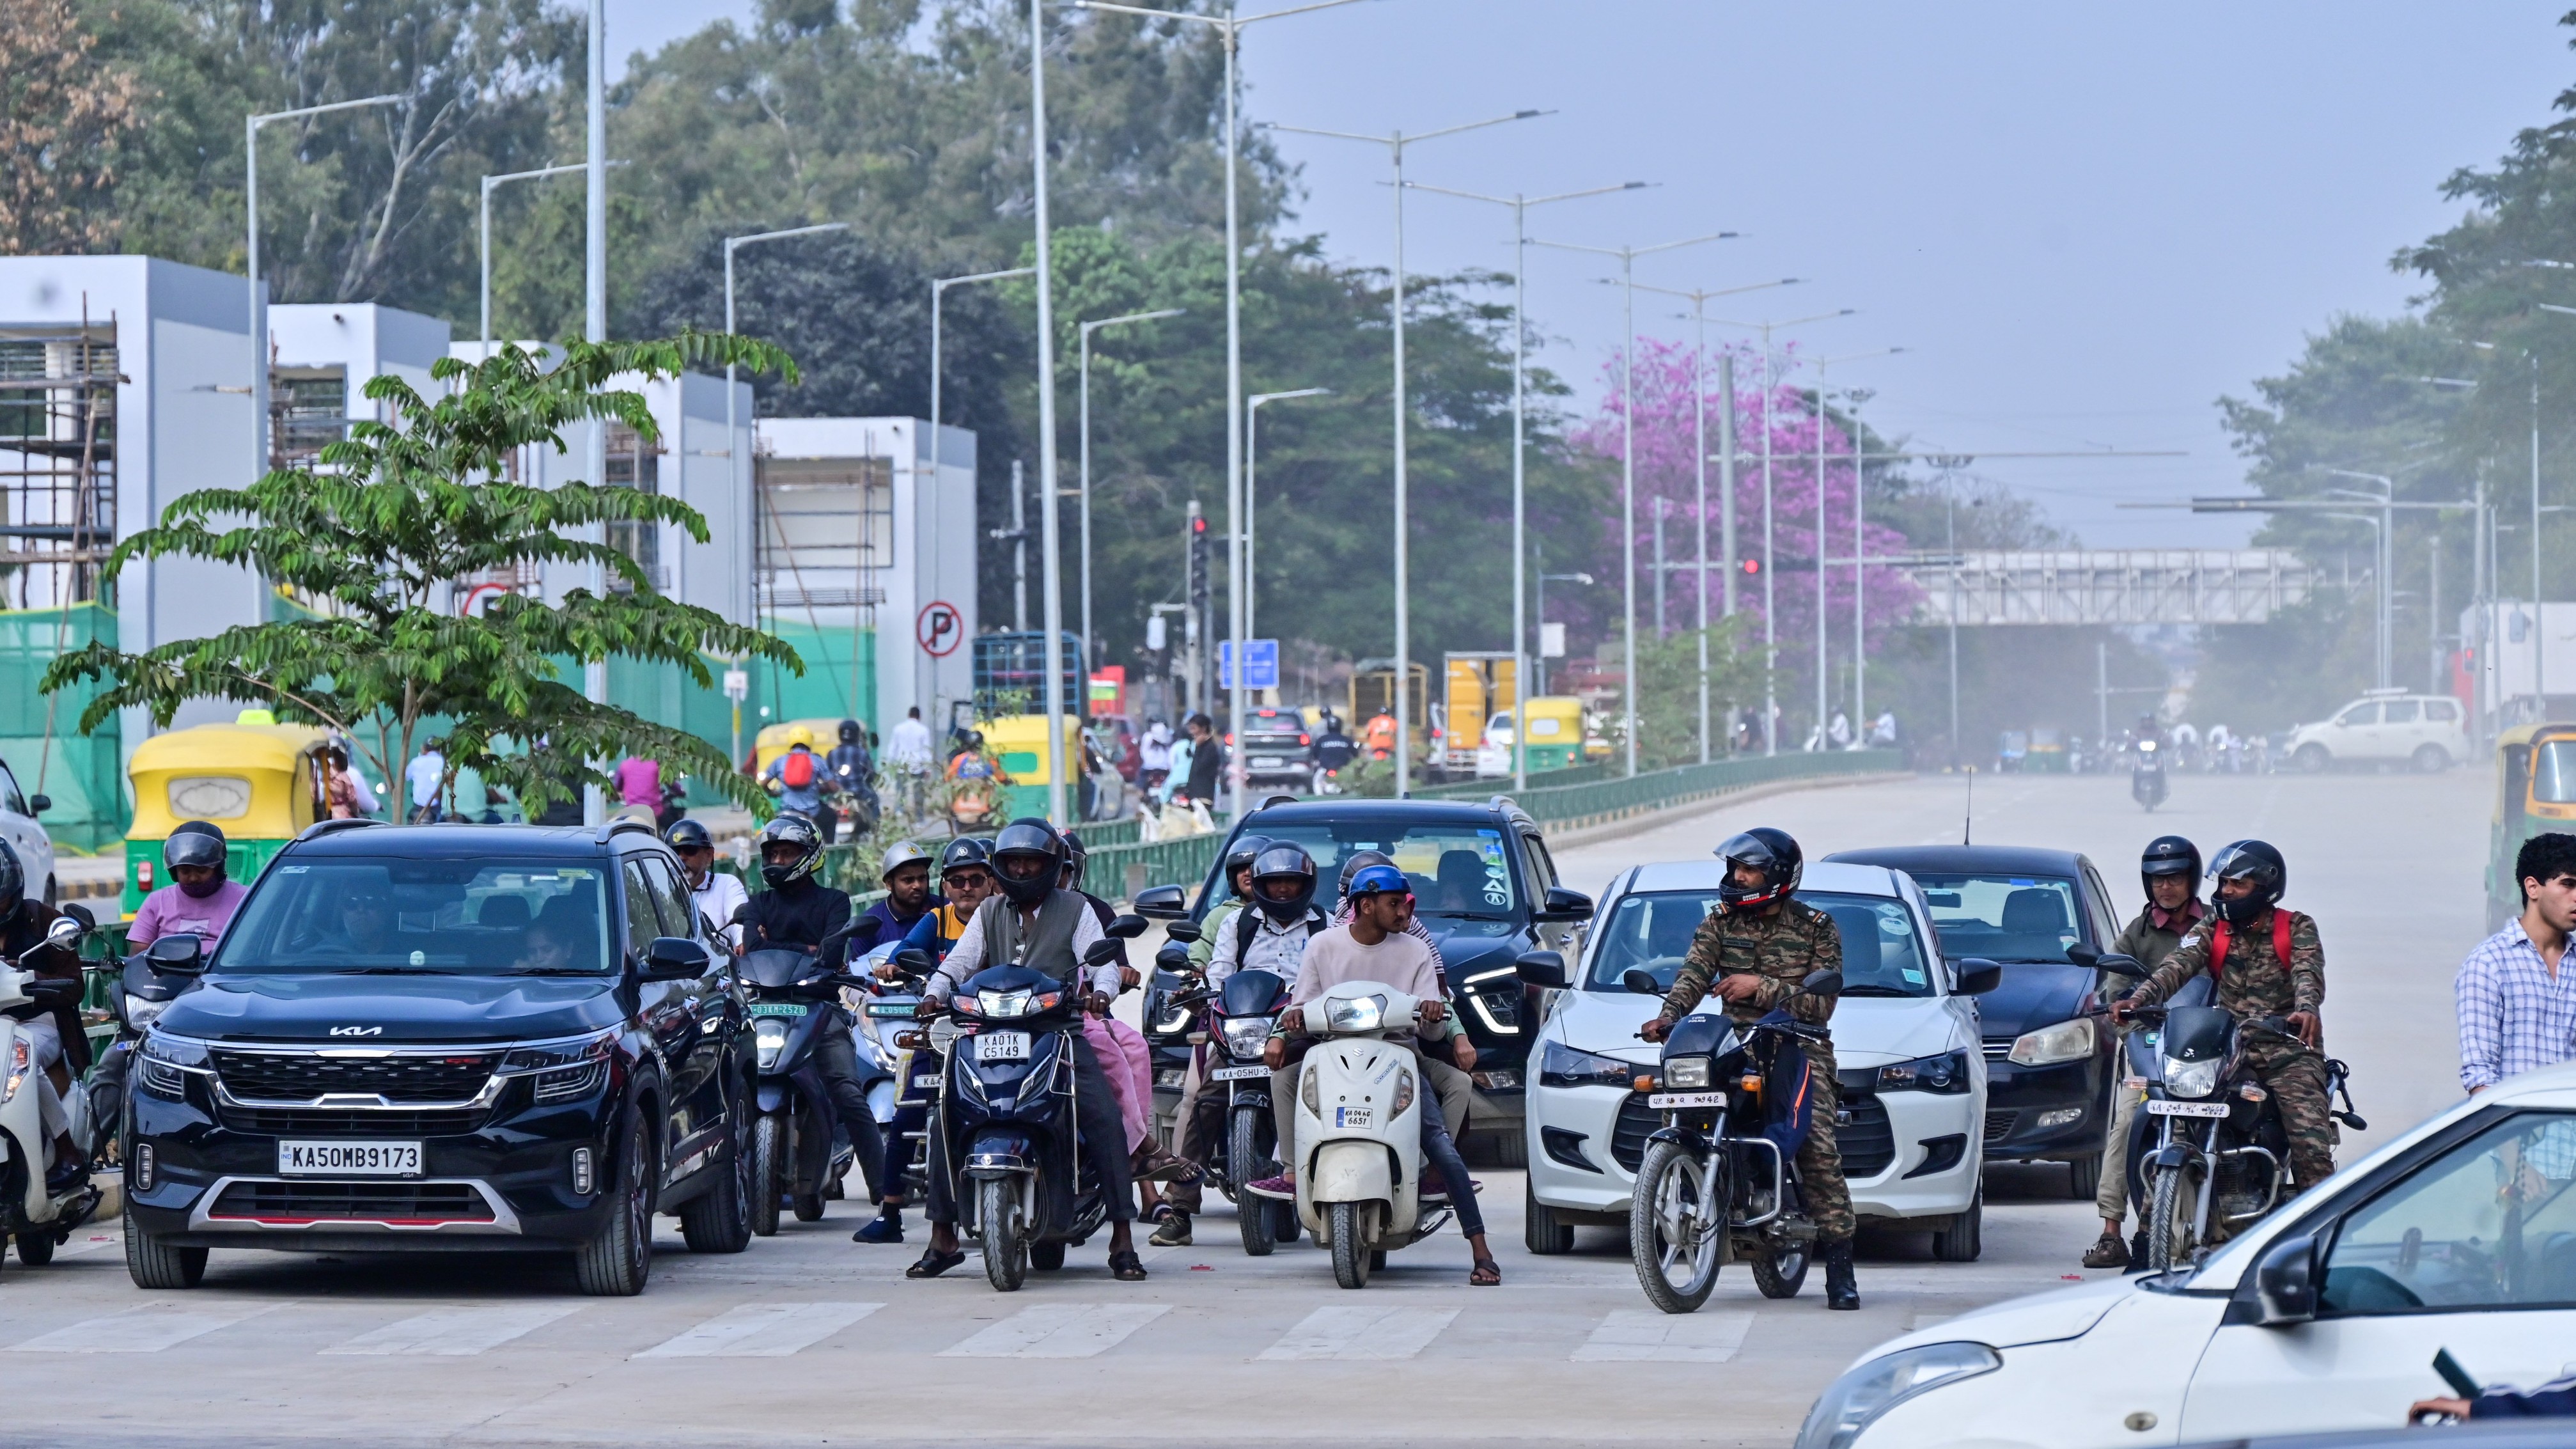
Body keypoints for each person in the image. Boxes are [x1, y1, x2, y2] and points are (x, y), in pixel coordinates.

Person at [908, 818, 1146, 1281]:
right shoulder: (989, 910)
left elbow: (1100, 958)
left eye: (1031, 862)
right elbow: (959, 961)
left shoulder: (1075, 907)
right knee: (944, 1115)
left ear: (1050, 865)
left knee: (1102, 1115)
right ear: (1000, 866)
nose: (1021, 870)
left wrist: (1102, 990)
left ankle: (1122, 1237)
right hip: (988, 1030)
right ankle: (942, 1236)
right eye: (1013, 862)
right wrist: (934, 993)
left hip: (1056, 1030)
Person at [1249, 863, 1498, 1287]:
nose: (1404, 913)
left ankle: (1478, 1245)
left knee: (1441, 1140)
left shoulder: (1415, 950)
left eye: (1405, 904)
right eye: (1394, 904)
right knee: (1283, 1079)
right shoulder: (1323, 946)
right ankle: (1293, 1171)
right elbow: (1301, 1005)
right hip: (1332, 1052)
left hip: (1399, 1054)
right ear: (1366, 906)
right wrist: (1281, 1032)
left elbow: (1431, 1022)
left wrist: (1434, 1017)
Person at [1641, 827, 1857, 1310]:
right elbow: (1693, 974)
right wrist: (1668, 1017)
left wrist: (1759, 986)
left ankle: (1840, 1269)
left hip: (1797, 1045)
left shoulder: (1817, 927)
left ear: (1776, 876)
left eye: (1749, 870)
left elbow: (1821, 1004)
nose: (1738, 877)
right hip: (1733, 1044)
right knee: (1683, 1109)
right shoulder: (1719, 921)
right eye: (1735, 868)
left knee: (1816, 1145)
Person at [2112, 839, 2335, 1198]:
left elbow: (2308, 974)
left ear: (2264, 888)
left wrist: (2306, 1008)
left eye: (2238, 884)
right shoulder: (2214, 926)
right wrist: (2138, 999)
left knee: (2311, 1147)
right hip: (2230, 1051)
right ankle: (2153, 1224)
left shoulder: (2296, 927)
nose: (2227, 891)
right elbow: (2176, 966)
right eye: (2224, 883)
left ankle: (2320, 1222)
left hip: (2287, 1050)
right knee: (2176, 1122)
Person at [728, 814, 886, 1207]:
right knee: (729, 1086)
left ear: (810, 855)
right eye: (773, 854)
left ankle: (886, 1193)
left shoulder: (835, 901)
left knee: (848, 1093)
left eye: (787, 853)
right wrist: (807, 949)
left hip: (819, 1006)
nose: (778, 861)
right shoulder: (757, 904)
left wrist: (780, 946)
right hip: (765, 1008)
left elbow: (831, 954)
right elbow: (754, 949)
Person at [855, 838, 1000, 1244]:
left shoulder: (1004, 915)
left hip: (998, 1031)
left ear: (991, 881)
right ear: (946, 886)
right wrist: (891, 967)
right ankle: (890, 1211)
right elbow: (904, 953)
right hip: (944, 1032)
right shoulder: (937, 920)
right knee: (909, 1110)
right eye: (957, 880)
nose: (967, 888)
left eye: (976, 879)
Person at [2083, 834, 2205, 1269]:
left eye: (2174, 878)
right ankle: (2111, 1232)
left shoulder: (2213, 928)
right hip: (2150, 1058)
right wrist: (2134, 1028)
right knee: (2124, 1126)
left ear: (2192, 879)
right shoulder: (2136, 934)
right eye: (2157, 880)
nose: (2165, 887)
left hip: (2202, 1059)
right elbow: (2115, 995)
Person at [1058, 829, 1193, 1193]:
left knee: (1131, 1047)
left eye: (1059, 868)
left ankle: (1141, 1173)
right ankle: (1142, 1148)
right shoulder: (995, 911)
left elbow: (1107, 966)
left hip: (1079, 1013)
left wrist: (1113, 979)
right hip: (1009, 1017)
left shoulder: (1085, 911)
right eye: (1021, 865)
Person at [2456, 831, 2576, 1095]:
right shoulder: (2489, 963)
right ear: (2533, 887)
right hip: (2518, 1120)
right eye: (2568, 884)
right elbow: (2480, 1075)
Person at [0, 841, 89, 1193]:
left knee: (20, 1057)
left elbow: (76, 986)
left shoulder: (43, 920)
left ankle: (67, 1151)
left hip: (40, 1022)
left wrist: (31, 979)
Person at [129, 822, 250, 949]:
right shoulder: (156, 902)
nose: (193, 878)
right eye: (185, 871)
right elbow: (139, 954)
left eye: (202, 871)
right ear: (174, 872)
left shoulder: (245, 899)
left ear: (217, 869)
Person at [666, 819, 746, 951]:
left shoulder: (726, 885)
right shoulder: (660, 891)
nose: (681, 857)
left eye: (689, 850)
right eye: (674, 852)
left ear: (709, 856)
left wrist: (743, 941)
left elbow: (740, 925)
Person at [850, 842, 941, 955]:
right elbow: (858, 965)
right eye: (908, 880)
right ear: (889, 884)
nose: (917, 885)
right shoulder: (868, 926)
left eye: (922, 878)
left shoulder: (945, 909)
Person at [762, 730, 829, 834]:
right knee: (831, 817)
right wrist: (824, 789)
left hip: (786, 812)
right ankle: (829, 844)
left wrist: (771, 792)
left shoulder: (780, 761)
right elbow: (832, 786)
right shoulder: (817, 761)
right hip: (811, 813)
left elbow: (762, 784)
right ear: (809, 741)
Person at [825, 719, 877, 836]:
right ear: (857, 734)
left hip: (837, 797)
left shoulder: (832, 754)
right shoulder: (862, 753)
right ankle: (876, 833)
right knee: (874, 801)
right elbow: (871, 775)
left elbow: (827, 776)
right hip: (858, 794)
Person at [887, 706, 935, 819]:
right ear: (919, 717)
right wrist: (928, 768)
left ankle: (899, 813)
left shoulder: (898, 729)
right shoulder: (923, 730)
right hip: (917, 765)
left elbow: (892, 748)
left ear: (908, 715)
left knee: (900, 791)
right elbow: (926, 750)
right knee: (918, 794)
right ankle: (919, 819)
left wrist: (891, 764)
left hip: (901, 765)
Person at [1170, 713, 1223, 809]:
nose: (1191, 732)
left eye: (1194, 728)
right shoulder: (1195, 745)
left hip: (1204, 794)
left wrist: (1198, 747)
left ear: (1203, 728)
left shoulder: (1210, 748)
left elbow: (1200, 767)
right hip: (1193, 793)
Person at [611, 754, 663, 824]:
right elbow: (671, 782)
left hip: (631, 810)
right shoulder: (656, 764)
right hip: (654, 810)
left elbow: (618, 787)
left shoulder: (625, 764)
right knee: (670, 824)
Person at [405, 746, 446, 822]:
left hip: (419, 807)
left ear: (424, 750)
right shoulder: (444, 761)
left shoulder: (416, 762)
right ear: (440, 750)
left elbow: (406, 776)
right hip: (438, 807)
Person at [1138, 718, 1173, 794]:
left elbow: (1142, 753)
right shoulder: (1169, 737)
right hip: (1165, 769)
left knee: (1141, 782)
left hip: (1148, 768)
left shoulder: (1147, 736)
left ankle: (1141, 793)